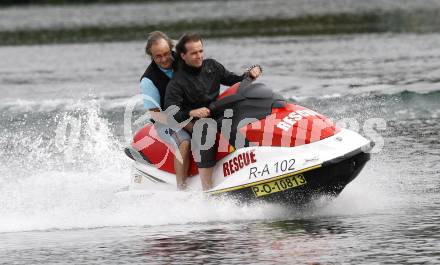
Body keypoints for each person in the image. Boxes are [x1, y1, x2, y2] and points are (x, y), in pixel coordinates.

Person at [164, 33, 262, 191]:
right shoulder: (177, 82)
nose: (199, 56)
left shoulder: (212, 67)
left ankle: (254, 167)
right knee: (205, 129)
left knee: (235, 122)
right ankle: (207, 189)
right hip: (189, 121)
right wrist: (191, 112)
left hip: (213, 114)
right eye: (194, 53)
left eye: (201, 51)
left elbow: (233, 80)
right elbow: (171, 112)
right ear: (183, 55)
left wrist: (250, 75)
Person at [140, 31, 191, 190]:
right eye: (158, 56)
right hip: (166, 121)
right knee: (184, 142)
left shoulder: (184, 60)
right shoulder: (148, 80)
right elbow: (155, 114)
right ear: (151, 56)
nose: (163, 59)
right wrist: (184, 124)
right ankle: (181, 189)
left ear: (172, 49)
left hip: (191, 111)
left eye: (166, 54)